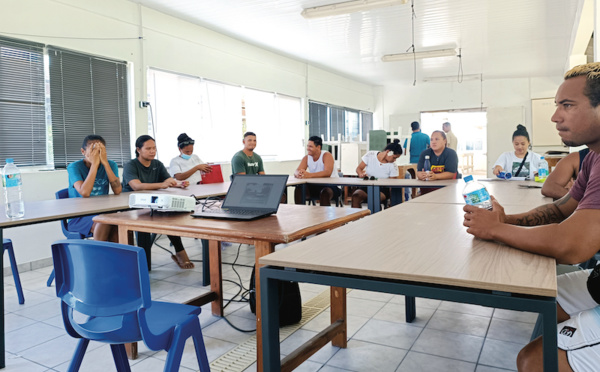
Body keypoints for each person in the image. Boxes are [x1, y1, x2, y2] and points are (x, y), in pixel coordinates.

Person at [463, 62, 600, 372]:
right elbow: (560, 208)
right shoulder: (593, 157)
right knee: (543, 302)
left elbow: (572, 245)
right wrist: (505, 220)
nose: (555, 116)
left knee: (533, 361)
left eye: (567, 105)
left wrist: (494, 231)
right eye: (556, 106)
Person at [123, 135, 194, 270]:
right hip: (132, 205)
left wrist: (179, 184)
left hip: (153, 202)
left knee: (169, 215)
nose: (152, 151)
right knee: (157, 216)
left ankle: (179, 251)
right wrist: (162, 185)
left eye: (154, 148)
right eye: (148, 148)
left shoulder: (157, 164)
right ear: (138, 149)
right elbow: (136, 186)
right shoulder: (130, 165)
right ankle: (144, 262)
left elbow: (168, 181)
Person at [67, 134, 121, 242]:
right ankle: (99, 256)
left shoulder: (111, 164)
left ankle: (118, 257)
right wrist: (94, 164)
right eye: (93, 150)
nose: (97, 153)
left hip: (103, 211)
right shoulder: (74, 167)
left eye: (100, 150)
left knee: (118, 223)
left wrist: (105, 163)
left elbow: (117, 190)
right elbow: (85, 192)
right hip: (79, 216)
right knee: (104, 220)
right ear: (83, 152)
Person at [351, 139, 402, 208]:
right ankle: (358, 218)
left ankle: (376, 217)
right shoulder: (370, 155)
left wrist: (391, 201)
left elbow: (392, 185)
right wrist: (361, 174)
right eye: (394, 157)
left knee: (375, 198)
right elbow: (359, 169)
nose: (394, 160)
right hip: (367, 186)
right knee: (356, 196)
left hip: (382, 189)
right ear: (388, 152)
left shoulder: (393, 166)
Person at [294, 136, 341, 206]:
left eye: (310, 146)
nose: (308, 149)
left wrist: (309, 175)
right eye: (307, 146)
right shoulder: (307, 158)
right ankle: (299, 212)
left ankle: (324, 216)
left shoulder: (327, 155)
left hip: (332, 186)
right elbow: (297, 170)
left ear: (318, 147)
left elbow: (327, 172)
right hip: (315, 186)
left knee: (325, 192)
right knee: (299, 189)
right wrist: (298, 173)